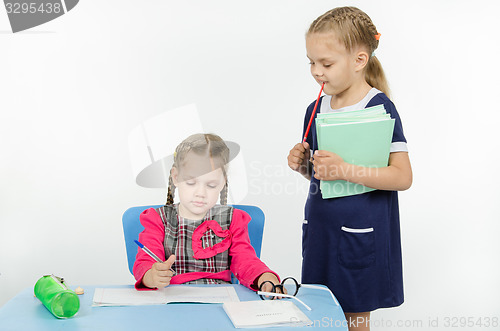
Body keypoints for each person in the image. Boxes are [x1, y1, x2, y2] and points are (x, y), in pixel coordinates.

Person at [287, 7, 412, 331]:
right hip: (321, 235)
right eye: (311, 62)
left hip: (359, 237)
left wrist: (344, 169)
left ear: (359, 60)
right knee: (320, 315)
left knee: (354, 320)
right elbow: (319, 176)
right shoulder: (314, 109)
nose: (316, 71)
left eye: (326, 64)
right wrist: (304, 166)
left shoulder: (379, 107)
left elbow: (402, 177)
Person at [133, 133, 281, 293]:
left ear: (223, 182)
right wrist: (151, 276)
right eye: (191, 183)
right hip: (171, 300)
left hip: (220, 298)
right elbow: (145, 261)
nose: (200, 193)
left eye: (211, 185)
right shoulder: (158, 219)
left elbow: (245, 259)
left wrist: (264, 276)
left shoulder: (233, 219)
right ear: (175, 177)